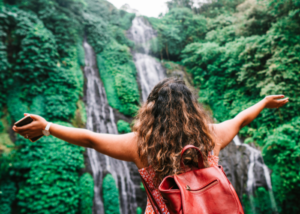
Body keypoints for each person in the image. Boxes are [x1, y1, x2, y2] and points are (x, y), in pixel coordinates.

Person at [13, 78, 289, 213]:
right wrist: (264, 102)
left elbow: (89, 138)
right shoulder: (210, 136)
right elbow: (241, 118)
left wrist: (47, 127)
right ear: (192, 109)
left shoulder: (140, 145)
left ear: (151, 110)